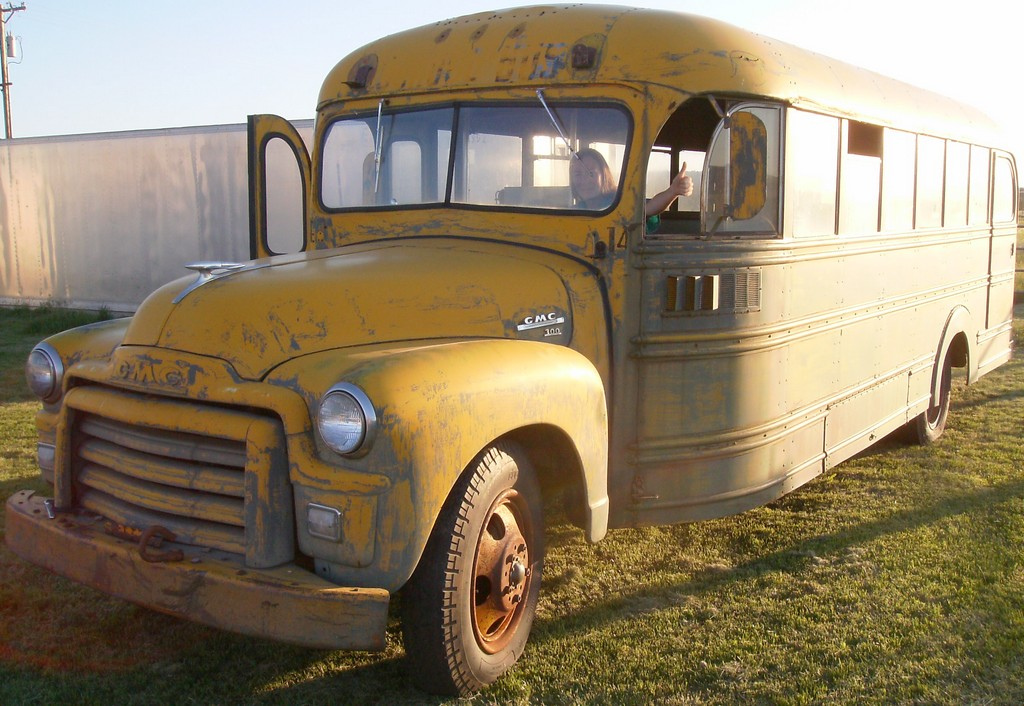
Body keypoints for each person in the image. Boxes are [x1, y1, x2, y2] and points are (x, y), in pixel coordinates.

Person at [569, 148, 693, 230]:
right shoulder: (572, 212)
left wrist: (672, 191)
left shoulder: (618, 203)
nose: (584, 181)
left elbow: (648, 208)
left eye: (591, 173)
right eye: (578, 174)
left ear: (604, 175)